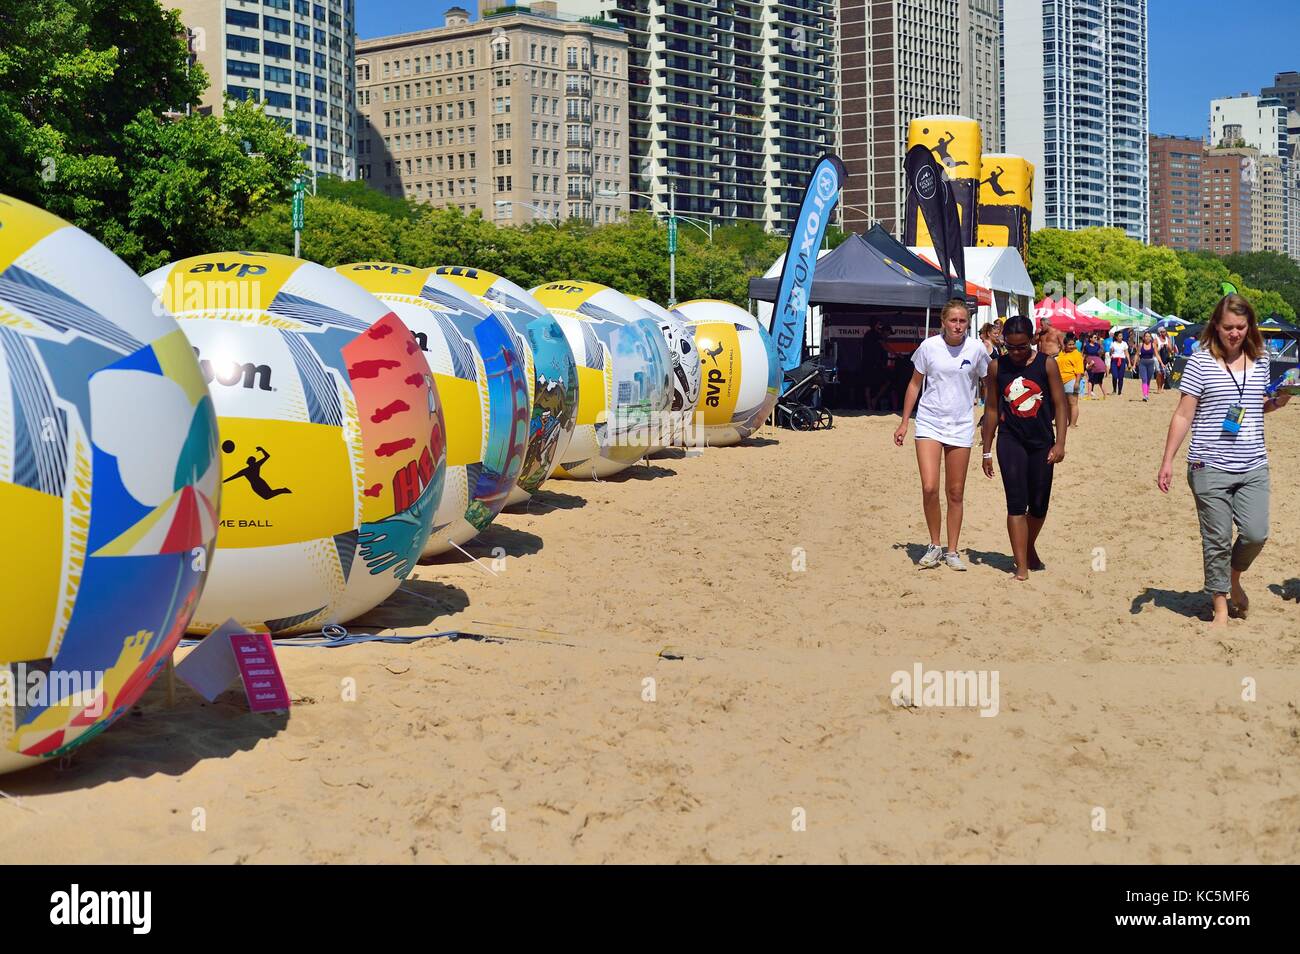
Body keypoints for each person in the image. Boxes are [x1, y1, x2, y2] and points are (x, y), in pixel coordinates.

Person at [1157, 294, 1290, 627]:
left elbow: (1254, 406)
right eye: (1228, 327)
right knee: (1216, 538)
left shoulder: (1260, 360)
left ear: (1250, 327)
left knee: (1256, 533)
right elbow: (1184, 415)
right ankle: (1219, 606)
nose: (1234, 333)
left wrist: (1277, 402)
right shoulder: (1201, 361)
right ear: (1216, 325)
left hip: (1253, 464)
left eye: (1241, 327)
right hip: (1208, 464)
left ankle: (1233, 577)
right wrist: (1168, 461)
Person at [894, 299, 992, 570]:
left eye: (962, 321)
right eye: (953, 320)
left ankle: (952, 551)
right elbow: (914, 385)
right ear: (943, 322)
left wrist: (990, 416)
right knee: (929, 487)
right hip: (929, 422)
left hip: (961, 424)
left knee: (956, 492)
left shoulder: (977, 349)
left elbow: (989, 384)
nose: (958, 326)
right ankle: (935, 545)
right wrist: (904, 422)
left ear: (968, 323)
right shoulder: (929, 347)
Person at [980, 315, 1068, 581]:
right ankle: (1020, 565)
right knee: (1016, 503)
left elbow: (1061, 404)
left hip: (1042, 442)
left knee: (1039, 505)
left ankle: (1028, 547)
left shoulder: (1047, 365)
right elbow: (992, 409)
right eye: (1010, 346)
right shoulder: (997, 367)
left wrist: (1061, 442)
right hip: (1011, 441)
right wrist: (986, 449)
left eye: (1021, 347)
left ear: (1032, 340)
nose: (1016, 353)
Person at [1055, 333, 1084, 426]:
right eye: (1069, 344)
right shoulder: (1062, 353)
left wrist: (1077, 382)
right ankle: (1069, 422)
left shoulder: (1077, 354)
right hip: (1060, 381)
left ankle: (1073, 424)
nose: (1072, 346)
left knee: (1073, 403)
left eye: (1073, 344)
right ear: (1065, 345)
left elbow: (1079, 370)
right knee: (1066, 404)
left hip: (1071, 379)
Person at [1135, 331, 1164, 402]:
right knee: (1144, 379)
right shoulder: (1141, 345)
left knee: (1148, 380)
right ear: (1144, 338)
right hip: (1142, 363)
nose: (1147, 338)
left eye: (1149, 336)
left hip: (1151, 363)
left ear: (1151, 338)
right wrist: (1134, 364)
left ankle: (1146, 394)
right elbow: (1137, 354)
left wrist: (1161, 363)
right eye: (1146, 336)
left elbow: (1157, 355)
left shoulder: (1153, 345)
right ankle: (1145, 395)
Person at [1082, 331, 1107, 399]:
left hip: (1097, 363)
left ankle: (1103, 395)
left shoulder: (1098, 345)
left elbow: (1101, 353)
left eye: (1096, 337)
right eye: (1094, 337)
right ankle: (1091, 395)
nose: (1096, 338)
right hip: (1091, 363)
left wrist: (1101, 344)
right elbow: (1084, 355)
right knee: (1092, 380)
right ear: (1090, 339)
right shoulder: (1086, 346)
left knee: (1096, 381)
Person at [1110, 329, 1130, 396]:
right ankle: (1114, 389)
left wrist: (1129, 362)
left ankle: (1120, 391)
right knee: (1115, 376)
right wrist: (1111, 351)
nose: (1121, 337)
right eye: (1119, 336)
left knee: (1121, 377)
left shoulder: (1124, 343)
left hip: (1122, 360)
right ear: (1116, 337)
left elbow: (1127, 353)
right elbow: (1110, 353)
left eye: (1121, 336)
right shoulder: (1113, 343)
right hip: (1114, 360)